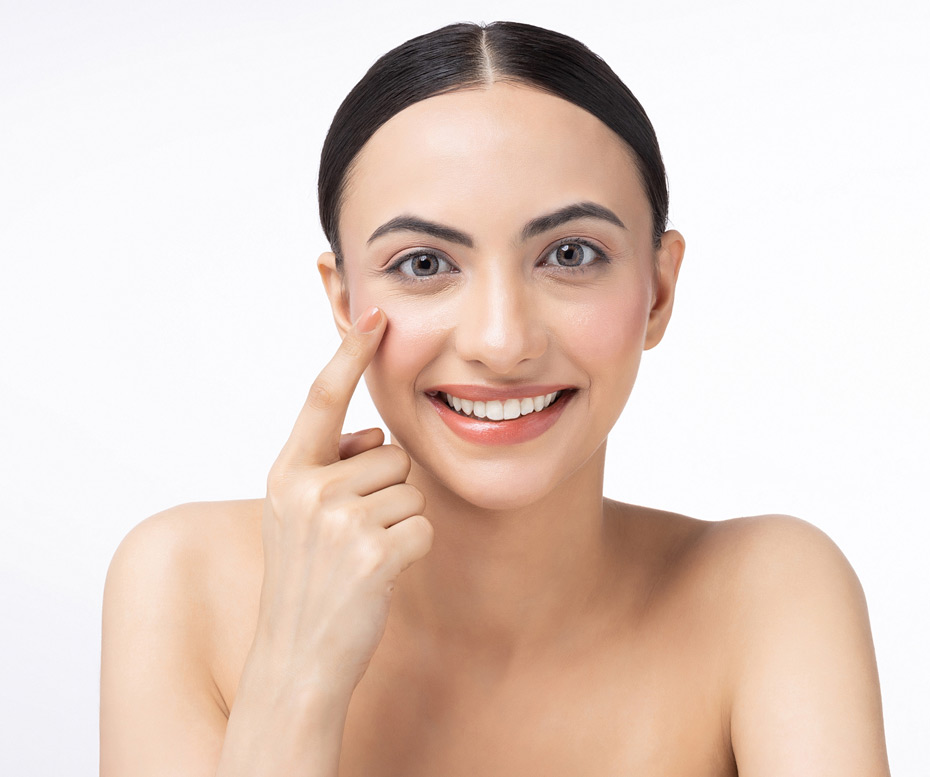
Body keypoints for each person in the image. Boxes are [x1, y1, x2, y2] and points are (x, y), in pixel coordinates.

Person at [99, 20, 890, 776]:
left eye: (570, 254)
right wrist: (294, 668)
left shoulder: (770, 596)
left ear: (657, 289)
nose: (502, 340)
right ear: (343, 303)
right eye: (422, 264)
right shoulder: (183, 581)